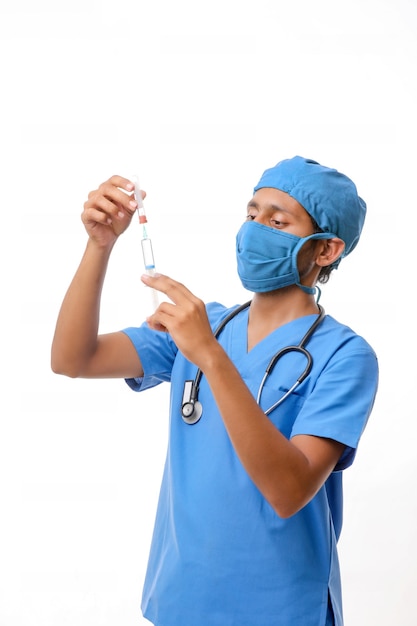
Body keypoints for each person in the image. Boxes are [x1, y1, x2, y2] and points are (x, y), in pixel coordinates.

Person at [51, 156, 379, 626]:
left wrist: (209, 356)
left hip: (281, 608)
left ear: (325, 251)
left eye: (277, 221)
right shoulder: (206, 328)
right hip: (182, 599)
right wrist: (98, 246)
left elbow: (288, 490)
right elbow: (72, 358)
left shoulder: (345, 356)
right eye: (251, 214)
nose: (254, 230)